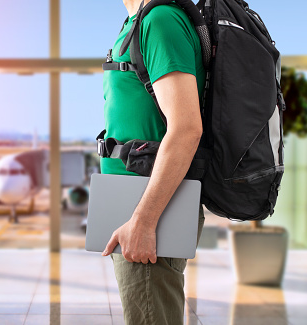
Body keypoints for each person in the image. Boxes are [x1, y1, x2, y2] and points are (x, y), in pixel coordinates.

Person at [100, 0, 207, 324]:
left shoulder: (160, 21)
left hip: (149, 206)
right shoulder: (136, 22)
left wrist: (144, 221)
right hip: (132, 202)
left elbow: (187, 128)